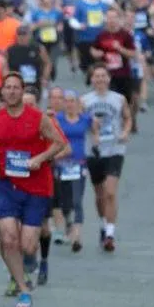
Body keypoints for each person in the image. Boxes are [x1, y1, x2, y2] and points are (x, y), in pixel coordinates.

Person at [0, 73, 67, 307]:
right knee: (7, 238)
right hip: (6, 185)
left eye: (17, 88)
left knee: (27, 246)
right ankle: (23, 289)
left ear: (21, 91)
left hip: (36, 187)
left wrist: (40, 158)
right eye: (8, 88)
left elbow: (59, 143)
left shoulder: (38, 118)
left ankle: (30, 263)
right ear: (3, 92)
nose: (12, 92)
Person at [82, 64, 133, 252]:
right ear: (92, 79)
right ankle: (104, 224)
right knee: (99, 195)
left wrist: (126, 131)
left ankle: (110, 234)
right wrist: (91, 129)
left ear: (109, 79)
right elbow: (78, 121)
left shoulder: (118, 99)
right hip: (94, 151)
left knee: (110, 192)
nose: (100, 79)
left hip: (115, 149)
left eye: (104, 76)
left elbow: (127, 118)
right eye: (97, 76)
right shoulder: (85, 101)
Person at [53, 90, 89, 253]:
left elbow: (96, 132)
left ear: (77, 103)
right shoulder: (57, 120)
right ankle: (68, 225)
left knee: (77, 200)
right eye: (66, 101)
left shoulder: (85, 119)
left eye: (72, 100)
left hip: (79, 163)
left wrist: (95, 143)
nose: (69, 104)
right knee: (65, 202)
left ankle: (77, 236)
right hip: (61, 164)